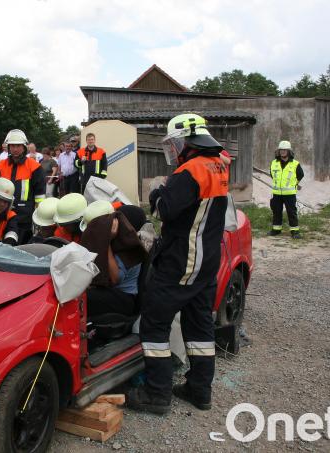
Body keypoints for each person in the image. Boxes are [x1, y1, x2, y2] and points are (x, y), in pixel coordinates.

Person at [127, 113, 229, 416]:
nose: (175, 149)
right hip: (207, 261)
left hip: (182, 261)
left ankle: (157, 394)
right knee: (199, 327)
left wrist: (158, 192)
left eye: (177, 143)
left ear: (189, 140)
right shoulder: (219, 163)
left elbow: (164, 210)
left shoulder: (190, 171)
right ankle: (200, 390)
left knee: (154, 323)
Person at [79, 201, 146, 321]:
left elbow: (115, 279)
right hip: (107, 291)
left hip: (124, 298)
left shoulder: (130, 246)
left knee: (82, 298)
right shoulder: (107, 240)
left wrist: (107, 241)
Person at [0, 129, 46, 244]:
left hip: (25, 219)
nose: (15, 149)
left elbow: (40, 197)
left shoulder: (35, 167)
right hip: (3, 217)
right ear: (8, 147)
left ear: (24, 147)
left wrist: (38, 219)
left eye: (18, 146)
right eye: (12, 146)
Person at [269, 140, 304, 239]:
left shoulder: (295, 164)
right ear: (278, 151)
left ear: (289, 151)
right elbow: (272, 174)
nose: (282, 152)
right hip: (276, 193)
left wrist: (294, 184)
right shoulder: (273, 163)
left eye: (285, 150)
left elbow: (301, 175)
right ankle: (276, 229)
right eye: (281, 150)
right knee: (276, 211)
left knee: (291, 212)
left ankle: (294, 231)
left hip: (289, 193)